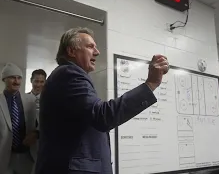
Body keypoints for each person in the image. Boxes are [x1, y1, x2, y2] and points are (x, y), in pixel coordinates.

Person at [35, 27, 169, 174]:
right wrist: (151, 84)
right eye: (90, 46)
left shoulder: (67, 75)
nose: (97, 52)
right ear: (72, 51)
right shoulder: (69, 73)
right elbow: (102, 116)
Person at [0, 63, 39, 174]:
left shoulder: (32, 100)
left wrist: (36, 133)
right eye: (12, 77)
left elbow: (42, 123)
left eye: (19, 78)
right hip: (2, 159)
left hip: (28, 157)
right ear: (4, 79)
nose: (16, 81)